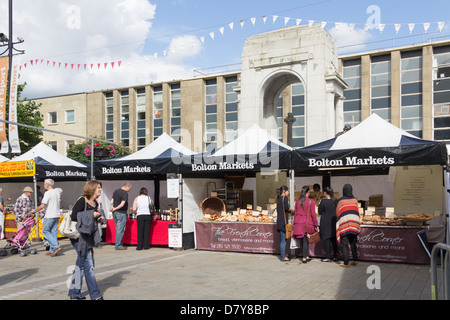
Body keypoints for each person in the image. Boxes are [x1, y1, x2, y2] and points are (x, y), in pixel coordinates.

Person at [67, 180, 104, 300]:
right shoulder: (82, 200)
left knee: (80, 265)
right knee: (88, 265)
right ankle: (96, 295)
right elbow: (74, 216)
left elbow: (89, 220)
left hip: (88, 236)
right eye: (98, 187)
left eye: (100, 188)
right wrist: (90, 214)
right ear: (92, 188)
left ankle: (74, 293)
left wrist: (97, 219)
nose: (100, 190)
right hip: (78, 236)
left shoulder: (96, 203)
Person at [31, 179, 62, 257]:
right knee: (53, 233)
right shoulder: (57, 192)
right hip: (56, 214)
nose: (43, 185)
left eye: (44, 184)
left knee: (45, 231)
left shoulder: (47, 193)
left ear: (47, 185)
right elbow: (52, 204)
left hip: (50, 215)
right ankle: (52, 250)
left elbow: (43, 204)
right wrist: (42, 210)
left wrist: (35, 211)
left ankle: (56, 246)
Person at [336, 184, 361, 268]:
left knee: (345, 244)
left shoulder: (341, 200)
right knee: (353, 242)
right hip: (354, 223)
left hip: (344, 223)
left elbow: (338, 212)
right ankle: (355, 259)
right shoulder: (355, 200)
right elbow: (357, 211)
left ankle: (346, 263)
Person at [292, 185, 319, 263]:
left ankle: (306, 255)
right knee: (305, 240)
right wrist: (316, 225)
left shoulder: (297, 201)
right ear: (308, 192)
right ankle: (304, 257)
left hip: (298, 223)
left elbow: (295, 212)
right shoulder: (311, 201)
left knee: (304, 240)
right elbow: (313, 214)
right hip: (307, 224)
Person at [110, 182, 132, 250]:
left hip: (115, 213)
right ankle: (118, 245)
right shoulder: (125, 193)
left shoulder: (116, 191)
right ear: (127, 187)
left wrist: (111, 207)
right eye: (130, 188)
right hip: (121, 213)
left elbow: (112, 200)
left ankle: (119, 243)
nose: (129, 190)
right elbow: (122, 204)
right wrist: (115, 208)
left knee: (118, 229)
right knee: (120, 230)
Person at [318, 186, 338, 262]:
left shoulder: (323, 201)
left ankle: (328, 257)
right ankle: (335, 256)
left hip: (326, 222)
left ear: (325, 193)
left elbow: (320, 212)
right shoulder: (335, 201)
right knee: (334, 239)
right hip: (334, 221)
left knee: (327, 239)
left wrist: (320, 204)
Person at [276, 186, 293, 262]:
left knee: (282, 239)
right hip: (283, 222)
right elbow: (286, 208)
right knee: (283, 240)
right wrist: (292, 210)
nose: (288, 193)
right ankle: (283, 256)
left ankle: (283, 254)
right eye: (287, 191)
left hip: (279, 221)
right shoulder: (284, 198)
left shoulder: (279, 198)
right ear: (284, 191)